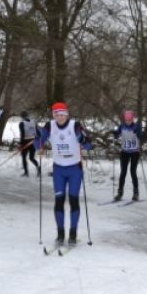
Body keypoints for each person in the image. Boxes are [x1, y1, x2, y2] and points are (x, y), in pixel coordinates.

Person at [34, 102, 91, 245]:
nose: (60, 117)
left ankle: (72, 233)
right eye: (57, 114)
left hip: (74, 169)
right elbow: (39, 138)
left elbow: (87, 141)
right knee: (59, 201)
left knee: (73, 200)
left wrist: (84, 145)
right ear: (53, 115)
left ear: (66, 114)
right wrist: (39, 146)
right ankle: (60, 234)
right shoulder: (50, 126)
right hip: (59, 169)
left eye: (62, 114)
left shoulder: (75, 125)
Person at [113, 110, 143, 201]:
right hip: (124, 152)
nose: (128, 121)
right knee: (123, 173)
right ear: (124, 119)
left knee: (133, 172)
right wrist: (115, 134)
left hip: (134, 152)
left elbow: (141, 137)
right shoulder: (122, 126)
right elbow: (117, 135)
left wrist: (139, 133)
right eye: (127, 120)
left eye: (130, 120)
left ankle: (136, 193)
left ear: (132, 119)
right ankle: (120, 193)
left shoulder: (136, 126)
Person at [19, 111, 40, 177]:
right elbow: (39, 134)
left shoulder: (22, 123)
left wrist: (21, 144)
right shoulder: (33, 122)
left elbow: (22, 134)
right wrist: (36, 137)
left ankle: (26, 173)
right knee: (31, 158)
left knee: (24, 157)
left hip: (25, 142)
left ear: (22, 117)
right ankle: (38, 168)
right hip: (33, 142)